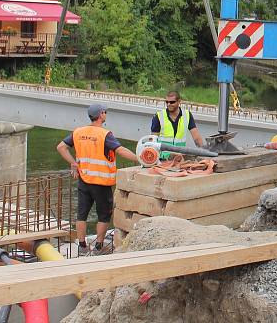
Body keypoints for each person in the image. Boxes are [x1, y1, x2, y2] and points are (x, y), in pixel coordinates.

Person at [56, 104, 137, 256]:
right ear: (101, 115)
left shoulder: (78, 132)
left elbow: (61, 147)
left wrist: (73, 163)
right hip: (101, 182)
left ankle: (82, 246)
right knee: (104, 215)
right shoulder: (105, 134)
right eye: (105, 112)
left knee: (82, 214)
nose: (106, 114)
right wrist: (139, 158)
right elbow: (120, 150)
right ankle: (99, 248)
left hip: (84, 180)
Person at [151, 91, 204, 159]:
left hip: (179, 158)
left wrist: (203, 152)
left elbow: (196, 138)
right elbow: (153, 140)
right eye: (167, 102)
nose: (168, 104)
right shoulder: (158, 116)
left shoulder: (187, 115)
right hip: (162, 158)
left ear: (179, 101)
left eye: (172, 102)